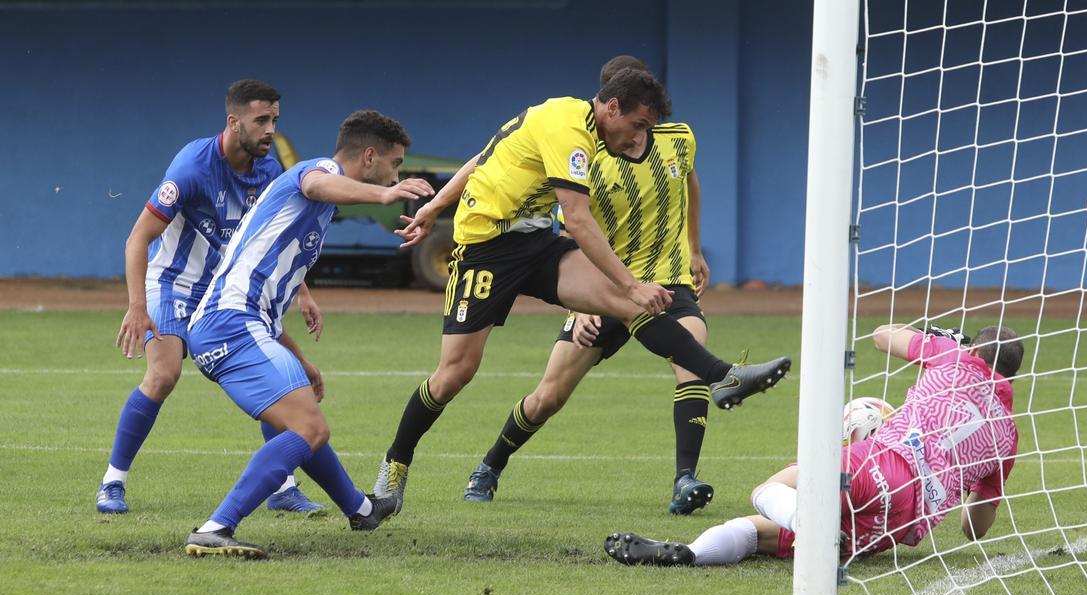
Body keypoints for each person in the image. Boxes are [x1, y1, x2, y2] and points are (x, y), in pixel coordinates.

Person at [370, 67, 791, 507]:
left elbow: (489, 154)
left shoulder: (588, 129)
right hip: (485, 249)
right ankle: (394, 467)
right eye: (637, 126)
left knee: (627, 305)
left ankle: (724, 376)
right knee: (455, 373)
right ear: (612, 107)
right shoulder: (570, 129)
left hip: (535, 241)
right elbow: (575, 217)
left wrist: (633, 286)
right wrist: (631, 283)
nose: (636, 138)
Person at [461, 56, 718, 515]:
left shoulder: (679, 140)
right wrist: (578, 308)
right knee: (549, 396)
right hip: (605, 290)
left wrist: (695, 248)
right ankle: (489, 466)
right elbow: (565, 236)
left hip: (668, 282)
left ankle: (685, 479)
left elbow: (691, 185)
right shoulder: (584, 156)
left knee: (691, 362)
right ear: (611, 107)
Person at [182, 111, 435, 558]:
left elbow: (264, 299)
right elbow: (316, 183)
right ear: (370, 156)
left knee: (300, 423)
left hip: (243, 325)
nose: (398, 175)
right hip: (229, 323)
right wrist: (384, 194)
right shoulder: (318, 172)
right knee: (310, 426)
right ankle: (215, 528)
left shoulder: (316, 208)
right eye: (395, 165)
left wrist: (298, 356)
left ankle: (360, 510)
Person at [604, 323, 1025, 566]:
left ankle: (807, 524)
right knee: (756, 534)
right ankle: (691, 554)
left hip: (884, 460)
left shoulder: (953, 356)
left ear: (973, 350)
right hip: (904, 521)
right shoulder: (1008, 434)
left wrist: (944, 338)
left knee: (768, 492)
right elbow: (975, 528)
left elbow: (881, 336)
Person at [97, 80, 325, 515]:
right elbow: (137, 237)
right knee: (163, 375)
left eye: (274, 120)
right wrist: (136, 306)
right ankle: (112, 482)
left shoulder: (269, 172)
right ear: (233, 121)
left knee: (272, 374)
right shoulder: (192, 166)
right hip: (172, 286)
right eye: (261, 120)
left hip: (225, 294)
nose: (269, 130)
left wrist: (303, 292)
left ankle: (283, 488)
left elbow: (276, 240)